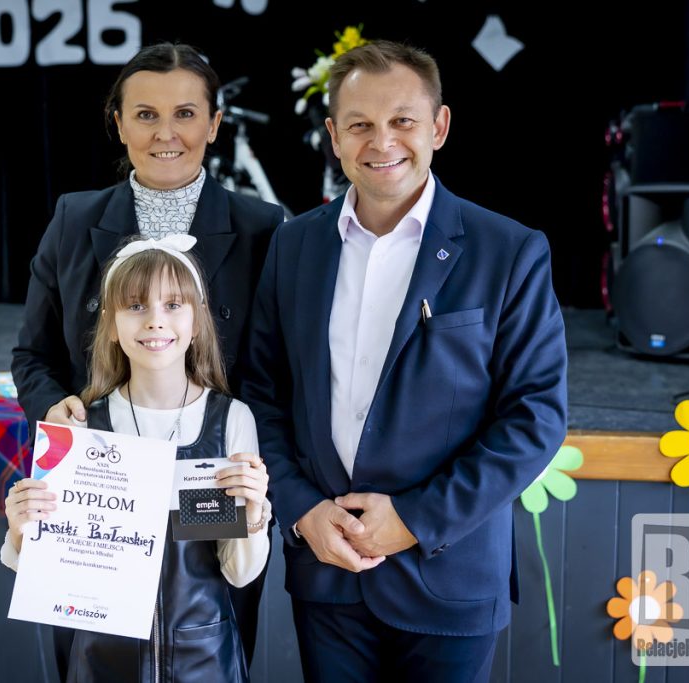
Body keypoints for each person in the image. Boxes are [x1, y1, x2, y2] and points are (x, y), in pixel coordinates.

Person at [241, 41, 568, 682]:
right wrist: (302, 509)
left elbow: (536, 418)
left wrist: (415, 521)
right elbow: (262, 394)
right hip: (327, 571)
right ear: (334, 136)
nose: (382, 141)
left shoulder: (510, 250)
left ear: (439, 127)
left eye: (402, 121)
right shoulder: (293, 245)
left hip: (450, 574)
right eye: (360, 124)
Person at [11, 42, 283, 672]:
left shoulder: (265, 228)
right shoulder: (73, 218)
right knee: (94, 660)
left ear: (214, 124)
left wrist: (248, 475)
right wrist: (57, 413)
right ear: (118, 123)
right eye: (145, 114)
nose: (166, 133)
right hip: (96, 494)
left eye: (185, 113)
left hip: (210, 483)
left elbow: (278, 371)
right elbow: (33, 354)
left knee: (205, 644)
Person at [3, 235, 271, 682]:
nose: (155, 321)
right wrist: (21, 529)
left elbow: (239, 573)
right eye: (135, 306)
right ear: (110, 324)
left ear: (198, 319)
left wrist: (255, 514)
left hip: (204, 659)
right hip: (102, 662)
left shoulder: (232, 420)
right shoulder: (82, 426)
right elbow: (49, 572)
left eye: (173, 305)